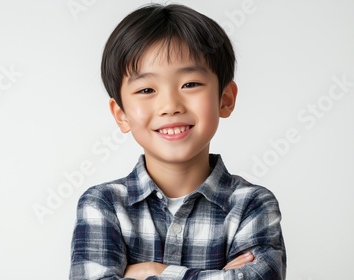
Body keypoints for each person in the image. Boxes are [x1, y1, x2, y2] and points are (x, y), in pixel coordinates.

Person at [69, 3, 286, 280]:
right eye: (147, 89)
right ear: (121, 114)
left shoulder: (252, 205)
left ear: (225, 99)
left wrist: (155, 272)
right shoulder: (103, 204)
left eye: (190, 84)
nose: (170, 105)